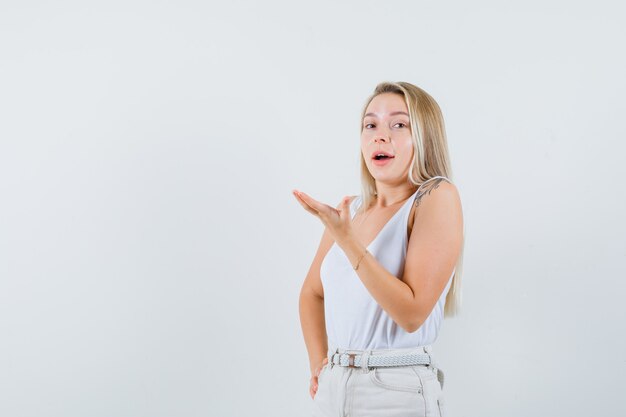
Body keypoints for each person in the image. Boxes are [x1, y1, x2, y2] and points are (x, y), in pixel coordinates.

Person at [294, 81, 464, 417]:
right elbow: (312, 294)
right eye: (370, 124)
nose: (379, 135)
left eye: (399, 124)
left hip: (396, 390)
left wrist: (346, 240)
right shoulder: (351, 211)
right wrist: (319, 363)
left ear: (425, 138)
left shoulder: (435, 197)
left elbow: (412, 313)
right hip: (335, 388)